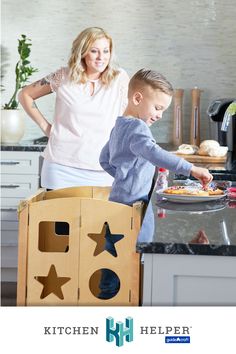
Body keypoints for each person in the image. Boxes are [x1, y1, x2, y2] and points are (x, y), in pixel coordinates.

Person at [98, 68, 213, 299]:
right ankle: (134, 301)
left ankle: (108, 299)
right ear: (137, 98)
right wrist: (191, 168)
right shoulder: (138, 128)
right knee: (144, 253)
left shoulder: (119, 126)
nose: (160, 115)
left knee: (114, 258)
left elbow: (104, 159)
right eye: (158, 108)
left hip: (118, 204)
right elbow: (152, 152)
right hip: (135, 206)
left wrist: (126, 176)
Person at [18, 27, 129, 190]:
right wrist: (47, 128)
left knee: (100, 216)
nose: (101, 57)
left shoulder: (119, 78)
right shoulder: (63, 76)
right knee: (59, 216)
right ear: (83, 52)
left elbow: (130, 115)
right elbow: (25, 94)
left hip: (104, 169)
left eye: (106, 51)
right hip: (60, 168)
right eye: (94, 51)